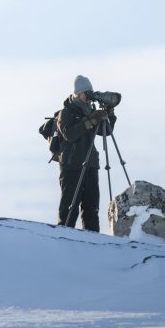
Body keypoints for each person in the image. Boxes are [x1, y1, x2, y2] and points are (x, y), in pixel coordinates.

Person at [56, 75, 116, 231]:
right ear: (77, 94)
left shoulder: (91, 111)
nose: (89, 97)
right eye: (85, 94)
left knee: (91, 208)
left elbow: (106, 132)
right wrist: (90, 121)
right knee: (69, 209)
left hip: (90, 165)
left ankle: (92, 241)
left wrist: (109, 114)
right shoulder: (67, 113)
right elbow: (69, 134)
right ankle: (62, 239)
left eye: (90, 93)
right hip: (72, 166)